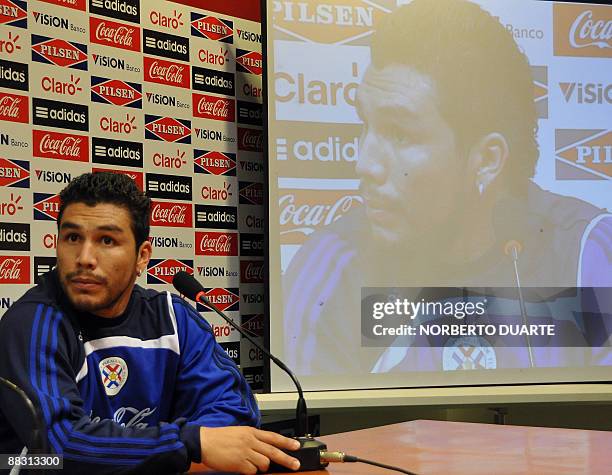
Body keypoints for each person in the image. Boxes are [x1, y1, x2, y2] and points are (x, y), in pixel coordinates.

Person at [282, 0, 612, 375]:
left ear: (486, 160)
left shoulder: (589, 254)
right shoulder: (332, 265)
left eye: (400, 133)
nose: (365, 164)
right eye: (366, 123)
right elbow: (313, 430)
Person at [0, 172, 301, 474]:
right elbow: (62, 447)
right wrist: (187, 443)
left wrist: (181, 447)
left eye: (107, 240)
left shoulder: (174, 318)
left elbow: (235, 413)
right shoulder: (32, 323)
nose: (85, 258)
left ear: (142, 256)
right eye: (72, 238)